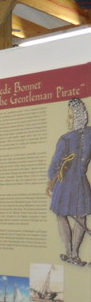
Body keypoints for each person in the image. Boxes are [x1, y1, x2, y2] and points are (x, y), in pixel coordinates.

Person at [47, 98, 91, 267]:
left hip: (64, 184)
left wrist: (51, 179)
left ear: (79, 117)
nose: (68, 121)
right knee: (80, 217)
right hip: (81, 183)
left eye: (71, 117)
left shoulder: (65, 139)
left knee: (61, 215)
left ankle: (69, 252)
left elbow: (54, 165)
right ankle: (74, 254)